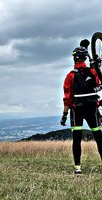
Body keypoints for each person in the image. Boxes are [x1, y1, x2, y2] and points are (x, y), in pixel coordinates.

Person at [60, 39, 102, 174]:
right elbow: (98, 85)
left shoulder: (70, 76)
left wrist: (64, 115)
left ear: (74, 58)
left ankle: (78, 168)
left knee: (77, 139)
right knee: (99, 138)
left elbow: (67, 98)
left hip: (76, 110)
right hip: (92, 109)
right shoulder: (93, 72)